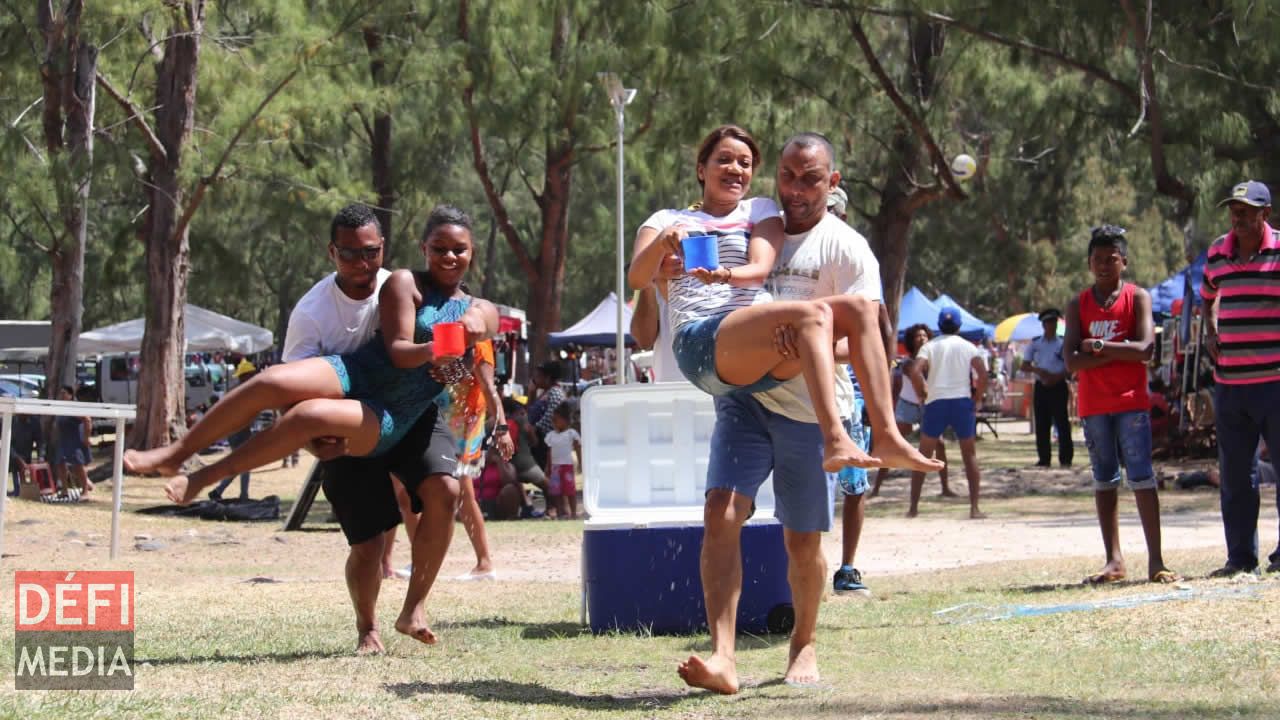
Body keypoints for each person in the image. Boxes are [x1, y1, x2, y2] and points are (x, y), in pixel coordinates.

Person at [129, 203, 496, 651]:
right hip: (358, 378)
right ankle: (177, 455)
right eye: (440, 248)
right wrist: (440, 351)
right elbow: (401, 350)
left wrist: (469, 336)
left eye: (459, 249)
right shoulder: (395, 283)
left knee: (446, 491)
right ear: (423, 248)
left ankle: (412, 609)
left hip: (399, 415)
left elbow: (479, 325)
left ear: (473, 252)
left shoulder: (476, 305)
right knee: (274, 385)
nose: (450, 257)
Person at [667, 132, 938, 695]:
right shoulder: (753, 228)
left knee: (802, 540)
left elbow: (865, 339)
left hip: (809, 413)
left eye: (810, 178)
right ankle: (723, 656)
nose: (795, 189)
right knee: (720, 510)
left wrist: (805, 352)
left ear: (832, 183)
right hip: (746, 401)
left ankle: (805, 642)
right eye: (787, 176)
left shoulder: (846, 248)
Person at [629, 124, 938, 477]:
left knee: (859, 308)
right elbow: (637, 278)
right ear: (701, 169)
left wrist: (725, 275)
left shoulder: (759, 211)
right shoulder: (666, 220)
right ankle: (835, 437)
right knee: (815, 316)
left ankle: (886, 435)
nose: (735, 169)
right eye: (724, 160)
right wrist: (661, 248)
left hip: (759, 350)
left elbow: (760, 269)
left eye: (745, 163)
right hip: (702, 343)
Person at [1065, 224, 1179, 584]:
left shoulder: (1138, 298)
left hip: (1132, 403)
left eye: (1110, 259)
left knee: (1142, 477)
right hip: (1094, 404)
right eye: (1097, 259)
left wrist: (1096, 347)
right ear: (1089, 263)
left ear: (1123, 262)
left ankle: (1156, 561)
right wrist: (1120, 351)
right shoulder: (1077, 304)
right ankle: (1114, 561)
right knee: (1104, 479)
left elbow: (1146, 350)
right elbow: (1071, 361)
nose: (1103, 265)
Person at [1202, 180, 1280, 577]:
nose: (1238, 217)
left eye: (1246, 210)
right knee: (1235, 476)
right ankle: (1240, 558)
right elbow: (1206, 296)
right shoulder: (1217, 252)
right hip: (1231, 384)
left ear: (1265, 214)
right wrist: (1212, 331)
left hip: (1275, 382)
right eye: (1234, 209)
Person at [907, 308, 988, 519]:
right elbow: (982, 373)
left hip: (936, 402)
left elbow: (915, 371)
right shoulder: (968, 346)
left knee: (923, 455)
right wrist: (977, 398)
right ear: (960, 326)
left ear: (939, 325)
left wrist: (921, 393)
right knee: (969, 455)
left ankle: (913, 508)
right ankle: (974, 508)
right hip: (962, 402)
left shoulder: (929, 346)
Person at [445, 337, 515, 580]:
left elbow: (488, 387)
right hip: (445, 419)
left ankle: (484, 563)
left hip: (466, 423)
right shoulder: (444, 332)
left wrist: (502, 428)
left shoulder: (479, 342)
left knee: (463, 492)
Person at [869, 324, 952, 498]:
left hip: (927, 405)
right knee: (892, 445)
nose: (921, 338)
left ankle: (945, 488)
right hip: (908, 405)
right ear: (911, 341)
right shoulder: (907, 363)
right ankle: (876, 488)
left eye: (924, 335)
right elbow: (920, 386)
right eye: (917, 336)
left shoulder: (934, 361)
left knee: (940, 445)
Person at [1024, 308, 1073, 468]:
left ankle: (1065, 459)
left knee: (1062, 422)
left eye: (1053, 322)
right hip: (1041, 386)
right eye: (1047, 323)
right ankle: (1044, 458)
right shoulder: (1035, 343)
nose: (1050, 326)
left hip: (1058, 385)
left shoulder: (1063, 343)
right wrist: (1040, 372)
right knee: (1042, 423)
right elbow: (1025, 365)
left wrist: (1056, 377)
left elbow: (1070, 367)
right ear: (1043, 325)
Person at [209, 359, 261, 501]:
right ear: (245, 376)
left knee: (241, 464)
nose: (253, 376)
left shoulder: (238, 390)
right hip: (238, 432)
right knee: (244, 464)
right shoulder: (242, 391)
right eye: (251, 374)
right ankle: (240, 494)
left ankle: (219, 491)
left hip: (238, 431)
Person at [544, 403, 581, 520]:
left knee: (570, 491)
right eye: (553, 420)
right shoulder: (551, 436)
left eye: (556, 420)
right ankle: (561, 512)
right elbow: (549, 453)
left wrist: (580, 462)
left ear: (565, 420)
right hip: (555, 467)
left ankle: (573, 513)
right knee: (557, 492)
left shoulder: (571, 434)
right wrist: (548, 467)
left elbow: (578, 448)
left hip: (567, 467)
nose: (554, 423)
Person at [53, 385, 93, 494]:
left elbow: (87, 420)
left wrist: (86, 437)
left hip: (75, 441)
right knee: (60, 464)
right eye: (60, 393)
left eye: (64, 393)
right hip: (63, 440)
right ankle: (64, 490)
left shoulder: (74, 407)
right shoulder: (60, 407)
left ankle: (85, 491)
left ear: (70, 395)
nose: (61, 395)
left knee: (78, 466)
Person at [6, 411, 43, 497]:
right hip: (13, 451)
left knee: (26, 469)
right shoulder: (12, 421)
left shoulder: (34, 422)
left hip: (27, 450)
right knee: (15, 468)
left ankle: (26, 490)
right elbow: (8, 444)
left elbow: (39, 440)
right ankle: (18, 490)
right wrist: (18, 458)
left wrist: (40, 456)